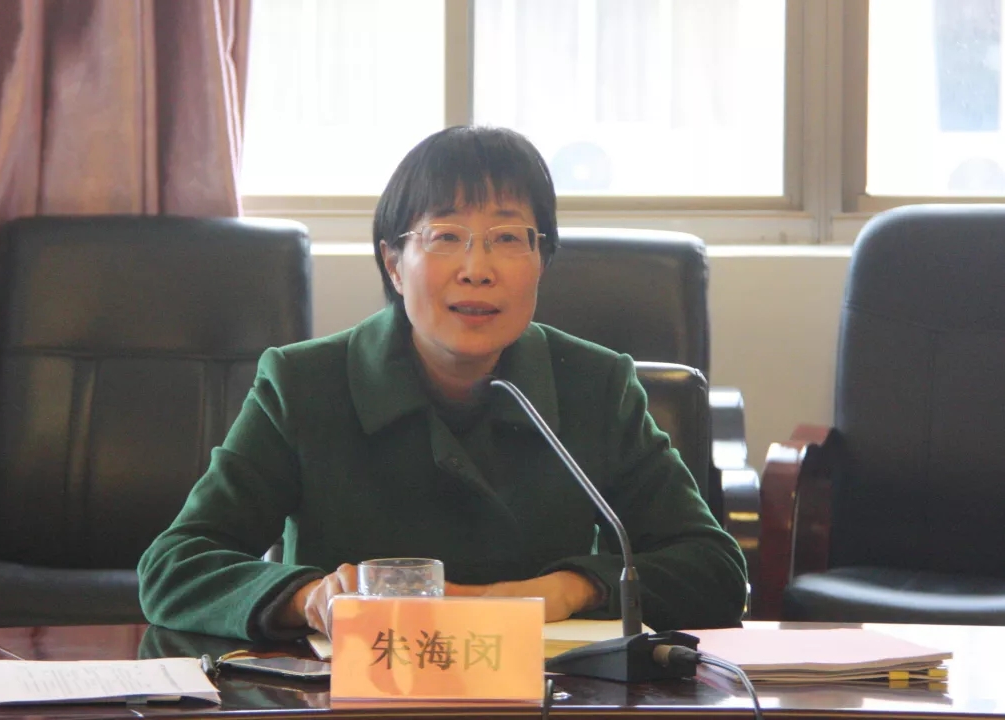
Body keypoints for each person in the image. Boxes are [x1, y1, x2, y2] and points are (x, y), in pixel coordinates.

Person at [137, 125, 747, 641]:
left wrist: (564, 590)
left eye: (507, 239)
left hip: (545, 694)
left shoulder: (596, 384)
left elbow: (715, 569)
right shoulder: (303, 385)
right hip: (355, 696)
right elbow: (175, 566)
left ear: (542, 262)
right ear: (393, 264)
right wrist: (309, 598)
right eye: (445, 237)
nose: (477, 269)